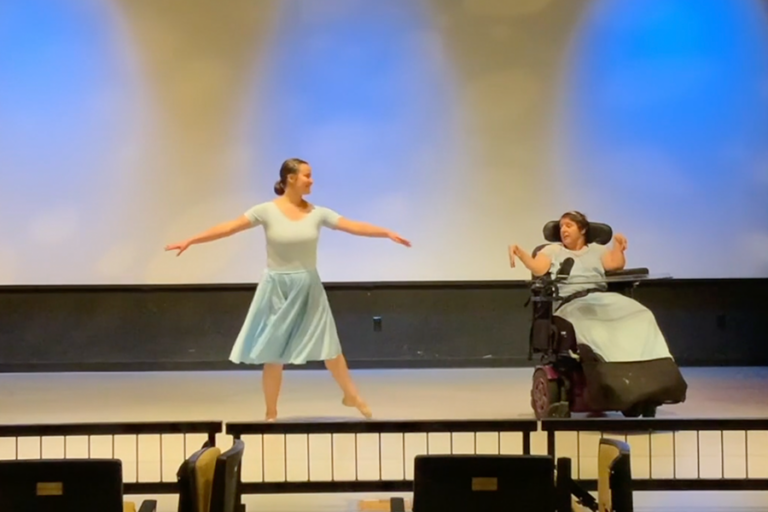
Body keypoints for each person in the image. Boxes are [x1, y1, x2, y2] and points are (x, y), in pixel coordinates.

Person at [165, 158, 411, 421]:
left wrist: (385, 232)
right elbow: (229, 227)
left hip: (308, 285)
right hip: (277, 288)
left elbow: (352, 226)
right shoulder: (266, 211)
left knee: (329, 346)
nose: (312, 180)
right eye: (307, 175)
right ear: (291, 178)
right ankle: (271, 413)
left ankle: (352, 396)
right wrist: (192, 239)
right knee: (274, 354)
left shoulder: (318, 213)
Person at [507, 211, 672, 363]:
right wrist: (520, 253)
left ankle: (653, 361)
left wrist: (618, 248)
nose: (563, 229)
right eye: (561, 226)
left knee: (641, 314)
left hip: (602, 298)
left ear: (583, 230)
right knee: (591, 324)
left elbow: (616, 265)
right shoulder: (552, 250)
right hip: (571, 301)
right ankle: (606, 365)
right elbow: (538, 268)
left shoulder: (597, 250)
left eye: (569, 225)